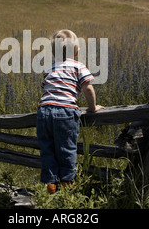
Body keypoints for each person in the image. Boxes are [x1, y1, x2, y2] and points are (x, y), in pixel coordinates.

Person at [36, 29, 105, 194]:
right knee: (66, 149)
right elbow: (88, 88)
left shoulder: (49, 69)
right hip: (65, 112)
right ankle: (67, 186)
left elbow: (45, 88)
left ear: (54, 53)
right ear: (76, 51)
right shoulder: (78, 66)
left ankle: (51, 186)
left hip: (44, 111)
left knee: (47, 149)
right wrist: (92, 108)